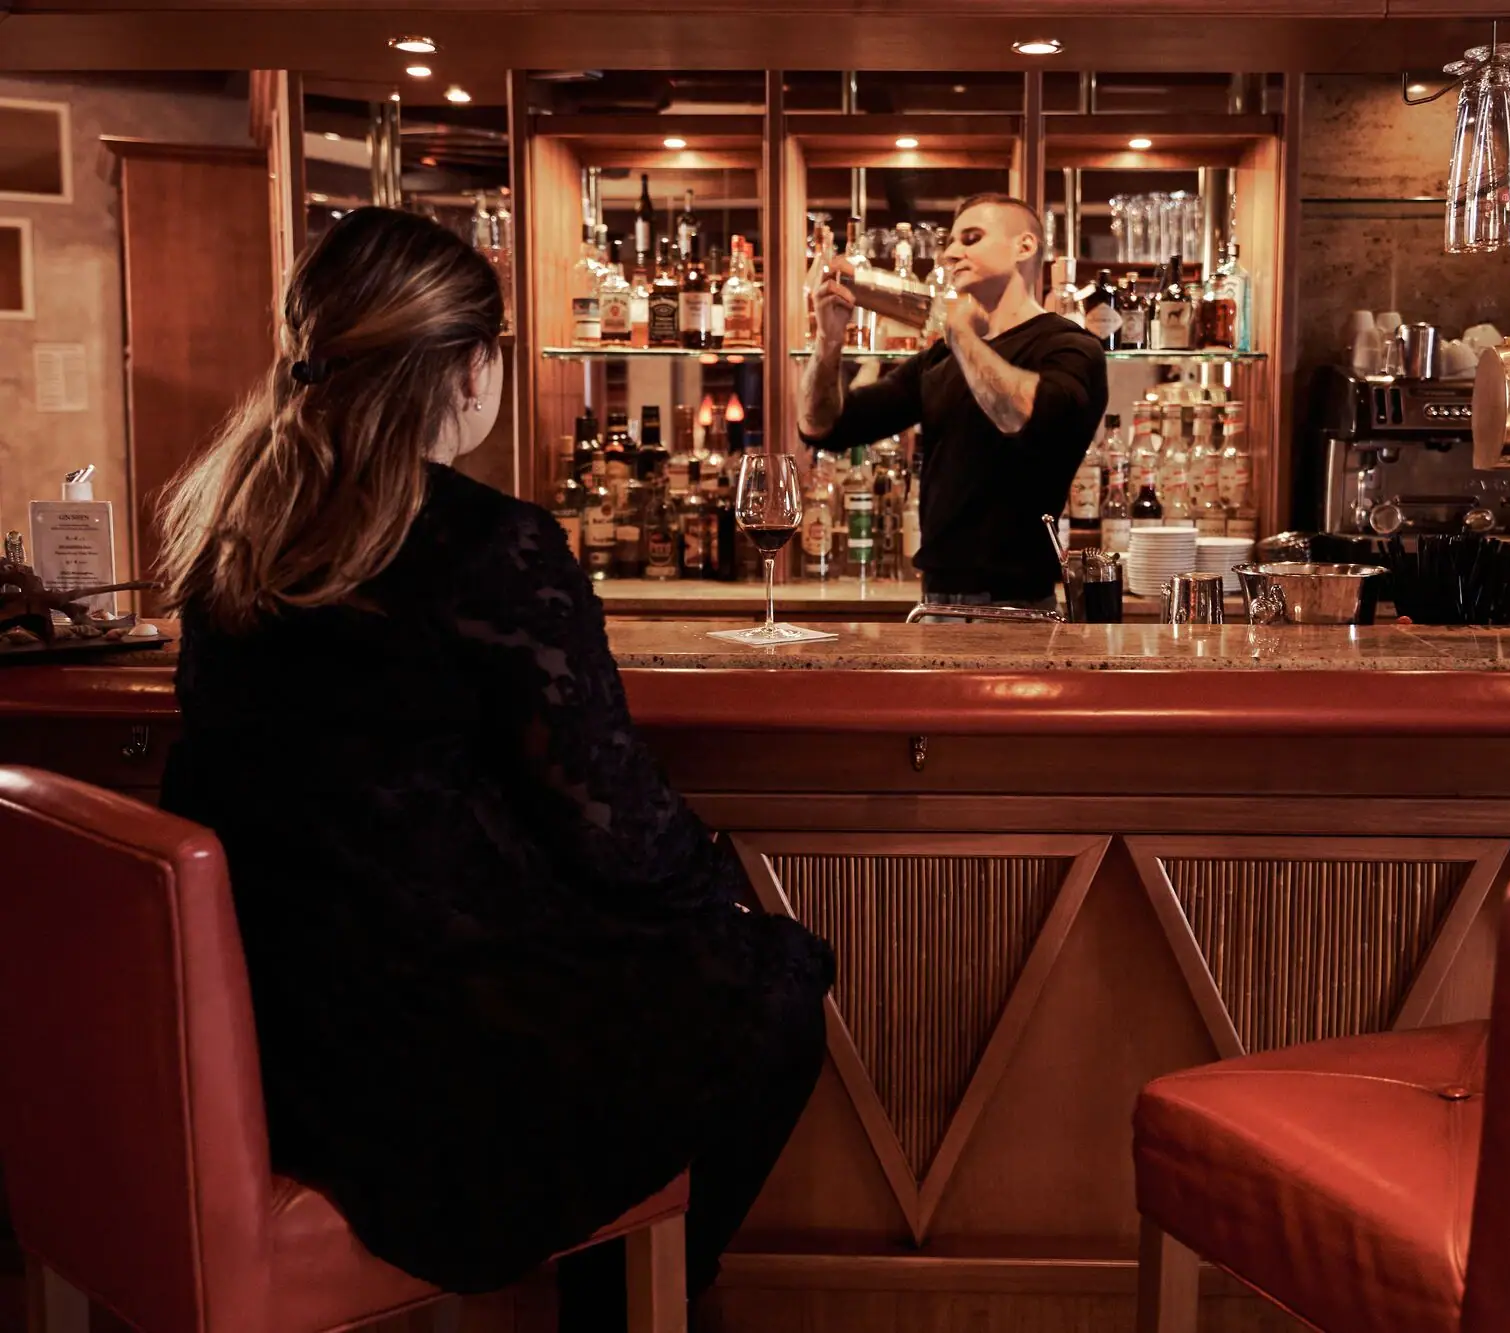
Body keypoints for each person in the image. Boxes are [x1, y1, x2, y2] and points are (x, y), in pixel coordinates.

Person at [153, 207, 832, 1327]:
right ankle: (624, 1308)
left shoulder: (230, 532)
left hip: (267, 1034)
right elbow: (621, 840)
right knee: (775, 985)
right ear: (471, 370)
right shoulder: (487, 544)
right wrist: (722, 891)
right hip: (422, 1064)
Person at [798, 193, 1109, 609]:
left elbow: (1021, 416)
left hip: (1017, 609)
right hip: (935, 603)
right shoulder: (941, 359)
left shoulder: (1071, 348)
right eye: (951, 242)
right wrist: (828, 340)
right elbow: (824, 428)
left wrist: (961, 332)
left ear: (1025, 246)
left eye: (972, 238)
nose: (950, 253)